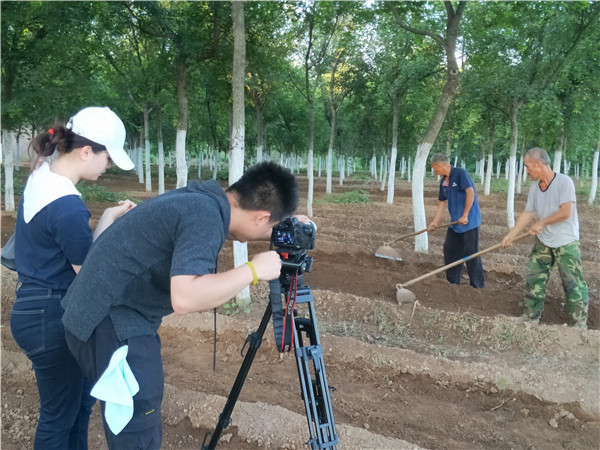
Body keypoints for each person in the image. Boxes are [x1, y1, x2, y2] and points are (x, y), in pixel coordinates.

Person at [61, 161, 300, 449]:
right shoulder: (206, 216)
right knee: (138, 424)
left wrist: (295, 225)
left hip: (96, 314)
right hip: (112, 323)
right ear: (262, 217)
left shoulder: (200, 200)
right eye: (272, 228)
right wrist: (253, 270)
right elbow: (185, 297)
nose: (270, 236)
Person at [10, 106, 136, 449]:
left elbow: (77, 255)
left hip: (44, 310)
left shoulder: (43, 178)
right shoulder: (65, 203)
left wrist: (107, 216)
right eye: (107, 158)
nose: (108, 166)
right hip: (50, 316)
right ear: (86, 151)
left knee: (80, 405)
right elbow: (89, 271)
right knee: (59, 415)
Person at [502, 147, 589, 329]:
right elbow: (527, 214)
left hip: (566, 241)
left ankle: (580, 323)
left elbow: (566, 212)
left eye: (527, 166)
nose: (526, 170)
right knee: (534, 277)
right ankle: (530, 316)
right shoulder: (535, 189)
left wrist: (542, 223)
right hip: (544, 240)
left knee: (572, 282)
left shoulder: (564, 182)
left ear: (538, 164)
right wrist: (511, 235)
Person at [428, 153, 484, 288]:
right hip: (455, 224)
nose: (434, 171)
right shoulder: (443, 181)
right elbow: (442, 202)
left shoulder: (460, 174)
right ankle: (453, 284)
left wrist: (465, 215)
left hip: (469, 222)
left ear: (439, 165)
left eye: (433, 168)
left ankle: (477, 286)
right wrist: (435, 221)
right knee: (450, 251)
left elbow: (470, 193)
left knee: (471, 255)